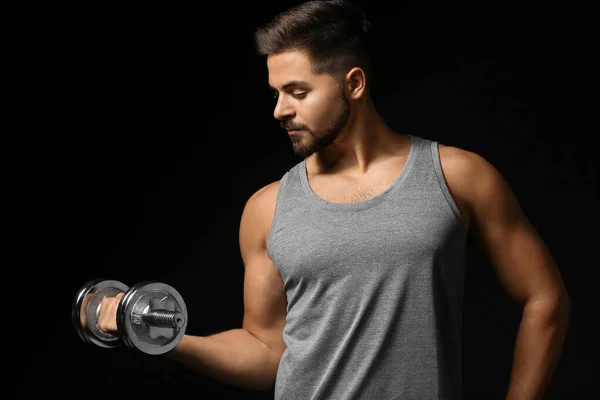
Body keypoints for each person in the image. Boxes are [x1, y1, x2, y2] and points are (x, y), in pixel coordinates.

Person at [96, 1, 572, 399]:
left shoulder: (458, 176)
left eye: (297, 92)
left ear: (354, 84)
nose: (280, 109)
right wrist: (161, 338)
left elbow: (545, 298)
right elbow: (264, 349)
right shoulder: (267, 208)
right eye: (276, 92)